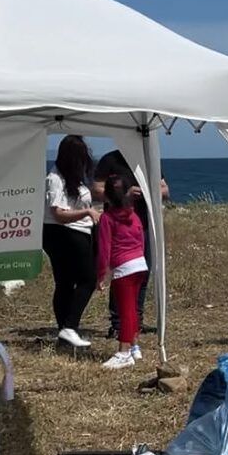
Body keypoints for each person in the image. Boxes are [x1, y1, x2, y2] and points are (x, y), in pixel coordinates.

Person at [93, 150, 169, 339]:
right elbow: (96, 189)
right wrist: (123, 194)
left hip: (142, 221)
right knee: (121, 274)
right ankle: (118, 323)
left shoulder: (148, 156)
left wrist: (146, 192)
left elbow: (164, 190)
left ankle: (136, 320)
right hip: (117, 221)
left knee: (142, 273)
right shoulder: (110, 160)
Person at [43, 136, 99, 349]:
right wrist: (86, 212)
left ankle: (64, 333)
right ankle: (69, 325)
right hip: (64, 233)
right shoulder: (55, 179)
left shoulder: (72, 178)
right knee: (87, 279)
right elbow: (58, 214)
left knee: (65, 282)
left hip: (72, 232)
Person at [95, 174, 149, 369]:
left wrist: (101, 274)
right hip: (140, 264)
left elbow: (104, 249)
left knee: (125, 311)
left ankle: (124, 351)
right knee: (133, 309)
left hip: (124, 268)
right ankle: (134, 345)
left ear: (106, 197)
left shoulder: (107, 218)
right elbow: (141, 240)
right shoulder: (134, 215)